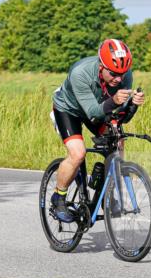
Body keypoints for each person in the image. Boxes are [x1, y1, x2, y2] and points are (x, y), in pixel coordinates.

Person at [50, 39, 146, 221]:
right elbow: (93, 112)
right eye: (114, 73)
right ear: (101, 65)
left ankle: (108, 195)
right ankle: (59, 197)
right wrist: (115, 101)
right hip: (69, 110)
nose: (119, 79)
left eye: (122, 74)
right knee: (78, 154)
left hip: (100, 109)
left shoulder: (125, 76)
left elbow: (120, 116)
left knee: (118, 140)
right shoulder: (81, 73)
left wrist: (133, 105)